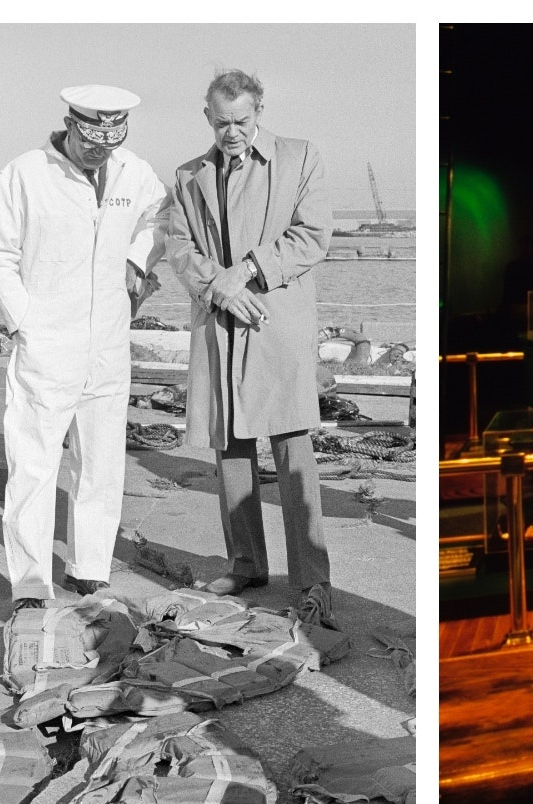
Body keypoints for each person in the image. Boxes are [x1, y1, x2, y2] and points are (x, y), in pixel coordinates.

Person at [0, 84, 166, 611]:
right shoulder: (24, 173)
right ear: (70, 124)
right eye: (90, 140)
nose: (98, 151)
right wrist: (25, 323)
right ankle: (31, 579)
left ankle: (90, 567)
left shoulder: (134, 172)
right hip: (47, 342)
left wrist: (137, 259)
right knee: (34, 464)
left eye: (109, 142)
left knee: (101, 461)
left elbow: (163, 219)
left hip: (108, 339)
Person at [163, 69, 339, 630]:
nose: (232, 133)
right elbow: (180, 245)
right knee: (230, 446)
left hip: (275, 323)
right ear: (207, 116)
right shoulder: (189, 176)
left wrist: (245, 273)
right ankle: (246, 564)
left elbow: (312, 234)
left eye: (241, 121)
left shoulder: (301, 156)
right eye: (221, 123)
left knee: (293, 451)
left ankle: (311, 581)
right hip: (220, 322)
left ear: (259, 111)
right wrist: (219, 287)